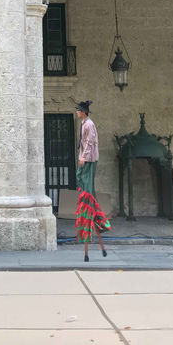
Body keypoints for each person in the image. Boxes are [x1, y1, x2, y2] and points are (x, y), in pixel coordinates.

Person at [75, 100, 110, 262]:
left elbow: (90, 142)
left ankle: (91, 210)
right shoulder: (84, 123)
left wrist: (84, 157)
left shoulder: (89, 124)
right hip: (85, 159)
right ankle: (86, 202)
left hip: (89, 160)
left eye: (78, 110)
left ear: (83, 112)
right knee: (82, 182)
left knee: (87, 188)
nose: (77, 112)